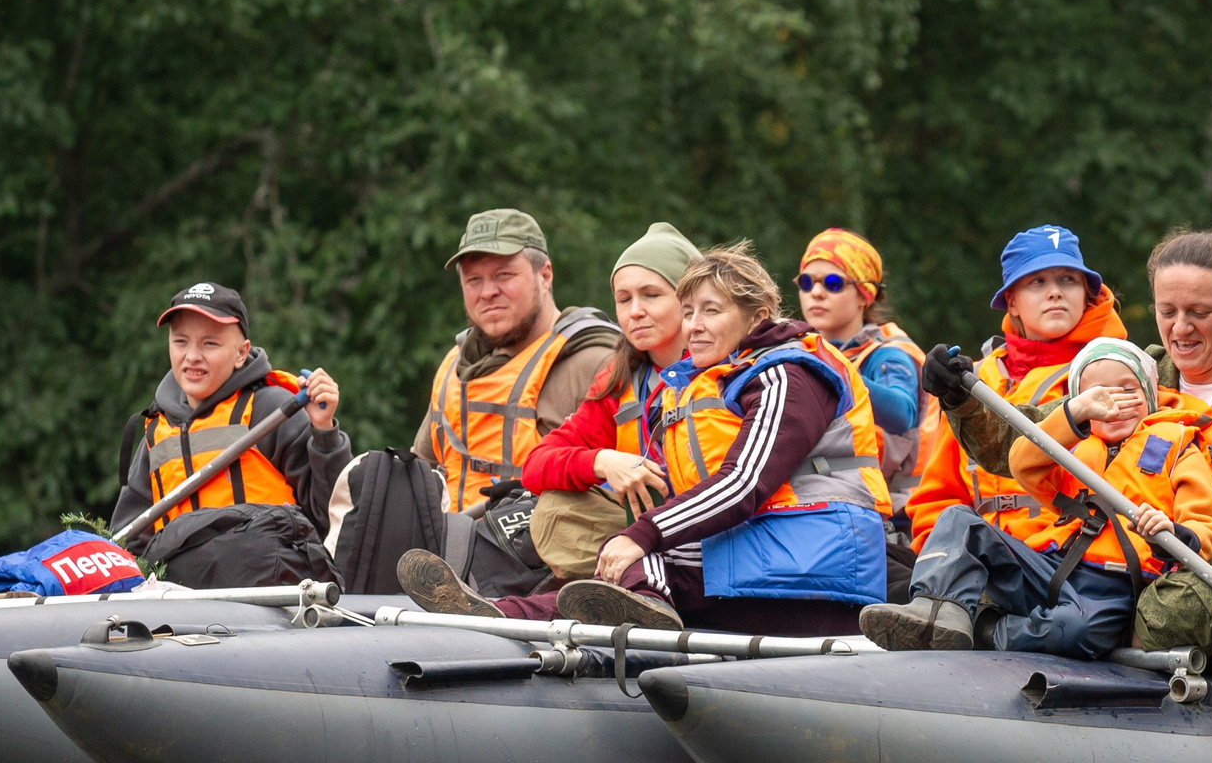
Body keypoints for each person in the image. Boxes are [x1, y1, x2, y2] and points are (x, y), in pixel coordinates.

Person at [916, 229, 1212, 751]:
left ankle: (1060, 629)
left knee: (1177, 605)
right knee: (1021, 560)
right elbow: (1027, 437)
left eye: (1199, 312)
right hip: (1123, 584)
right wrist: (963, 399)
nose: (1180, 328)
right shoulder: (1135, 373)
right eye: (1167, 311)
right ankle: (1028, 625)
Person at [400, 244, 894, 635]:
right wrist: (605, 468)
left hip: (817, 568)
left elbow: (743, 483)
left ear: (757, 315)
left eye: (710, 311)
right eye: (689, 311)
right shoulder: (692, 382)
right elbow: (541, 464)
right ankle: (502, 614)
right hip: (761, 552)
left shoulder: (789, 374)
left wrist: (641, 534)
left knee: (646, 561)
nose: (694, 325)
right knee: (630, 563)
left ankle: (621, 632)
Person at [864, 340, 1212, 659]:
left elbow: (1206, 526)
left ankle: (984, 631)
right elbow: (1021, 463)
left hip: (1112, 588)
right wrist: (1075, 413)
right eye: (1097, 394)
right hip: (1049, 565)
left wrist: (1171, 533)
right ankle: (932, 609)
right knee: (960, 519)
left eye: (1128, 390)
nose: (1113, 402)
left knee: (1078, 630)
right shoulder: (1073, 444)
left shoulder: (1178, 444)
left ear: (1149, 395)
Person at [907, 225, 1129, 552]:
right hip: (975, 559)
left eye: (1068, 279)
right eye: (1037, 281)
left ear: (1087, 294)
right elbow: (939, 497)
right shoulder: (969, 380)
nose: (1054, 292)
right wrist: (939, 556)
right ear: (1011, 301)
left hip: (1067, 555)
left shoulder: (1115, 372)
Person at [498, 221, 700, 581]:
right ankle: (621, 587)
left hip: (717, 530)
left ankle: (609, 591)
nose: (634, 311)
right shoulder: (620, 381)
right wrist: (603, 461)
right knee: (555, 509)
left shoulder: (728, 368)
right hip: (645, 539)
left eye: (651, 295)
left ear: (689, 301)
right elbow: (535, 466)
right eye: (624, 299)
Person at [106, 283, 347, 583]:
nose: (192, 356)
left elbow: (330, 514)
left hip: (270, 590)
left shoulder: (271, 410)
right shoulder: (156, 433)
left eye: (210, 344)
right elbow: (128, 545)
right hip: (182, 598)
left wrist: (324, 431)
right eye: (181, 341)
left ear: (241, 353)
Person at [413, 208, 620, 513]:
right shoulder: (455, 366)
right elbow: (417, 476)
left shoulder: (596, 362)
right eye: (473, 280)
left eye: (504, 275)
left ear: (545, 275)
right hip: (448, 540)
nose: (488, 292)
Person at [793, 229, 930, 512]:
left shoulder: (889, 355)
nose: (815, 293)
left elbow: (902, 414)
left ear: (865, 295)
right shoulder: (800, 352)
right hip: (818, 502)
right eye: (806, 282)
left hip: (888, 513)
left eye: (833, 283)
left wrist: (830, 368)